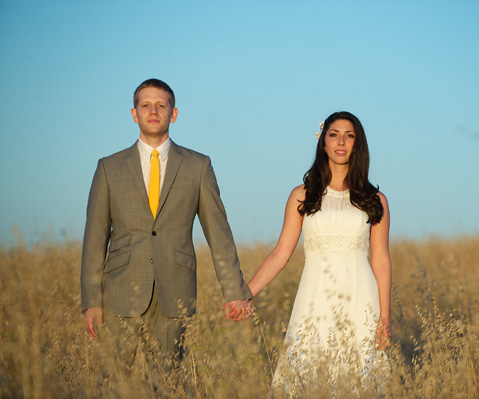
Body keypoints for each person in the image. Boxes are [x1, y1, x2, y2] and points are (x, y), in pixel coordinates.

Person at [80, 78, 252, 369]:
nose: (153, 111)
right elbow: (94, 240)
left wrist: (234, 293)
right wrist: (91, 300)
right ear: (134, 114)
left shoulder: (198, 166)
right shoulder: (109, 167)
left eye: (161, 105)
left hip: (176, 293)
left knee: (167, 383)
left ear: (173, 114)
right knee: (112, 384)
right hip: (119, 294)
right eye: (145, 105)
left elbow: (219, 235)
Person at [248, 111, 392, 396]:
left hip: (361, 299)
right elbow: (280, 254)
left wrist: (384, 316)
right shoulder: (302, 195)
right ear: (323, 142)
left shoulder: (375, 200)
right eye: (334, 134)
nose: (341, 141)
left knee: (360, 378)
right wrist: (245, 293)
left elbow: (381, 259)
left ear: (357, 145)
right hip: (314, 299)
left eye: (349, 136)